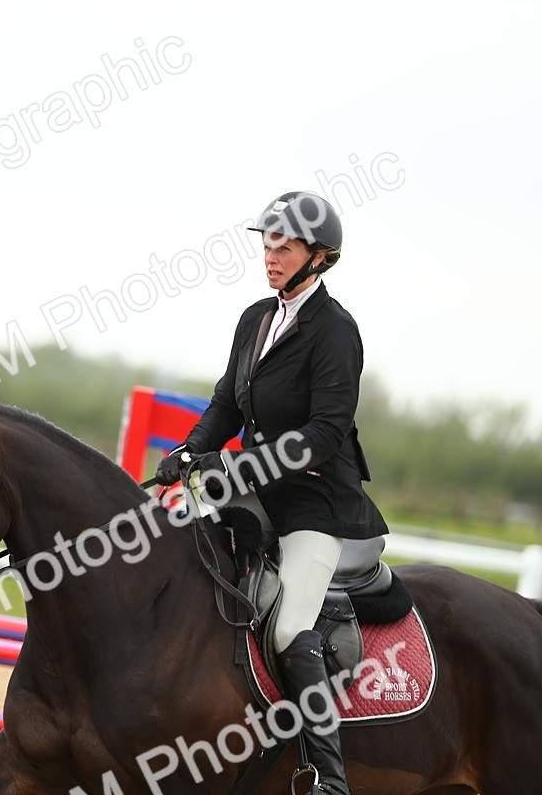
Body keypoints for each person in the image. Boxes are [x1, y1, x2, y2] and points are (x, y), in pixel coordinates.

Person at [154, 191, 387, 795]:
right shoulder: (257, 317)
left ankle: (329, 776)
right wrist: (189, 451)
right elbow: (227, 403)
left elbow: (326, 434)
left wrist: (240, 467)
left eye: (285, 248)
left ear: (320, 257)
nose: (271, 257)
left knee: (288, 630)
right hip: (257, 492)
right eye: (267, 245)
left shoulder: (336, 331)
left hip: (316, 503)